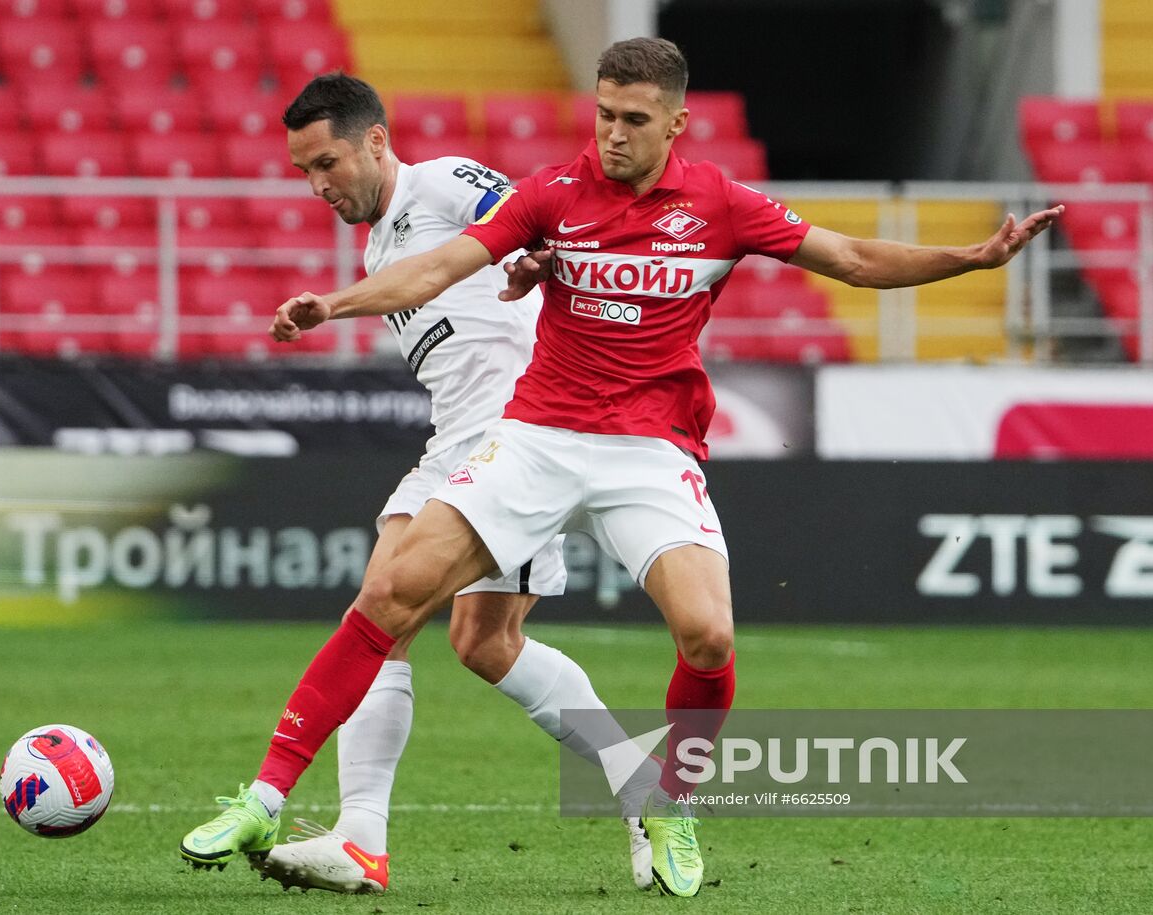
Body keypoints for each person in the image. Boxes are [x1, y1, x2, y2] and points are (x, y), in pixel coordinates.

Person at [189, 37, 1064, 898]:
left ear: (676, 123)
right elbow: (455, 264)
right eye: (603, 114)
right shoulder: (549, 193)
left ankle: (660, 795)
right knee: (407, 606)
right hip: (531, 436)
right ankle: (281, 803)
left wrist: (973, 259)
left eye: (632, 118)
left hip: (643, 446)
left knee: (699, 635)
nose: (612, 133)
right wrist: (337, 303)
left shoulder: (702, 203)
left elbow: (855, 258)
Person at [179, 73, 656, 894]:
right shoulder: (376, 245)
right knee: (481, 643)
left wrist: (540, 258)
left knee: (385, 612)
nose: (318, 184)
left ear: (374, 140)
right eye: (303, 172)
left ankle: (360, 833)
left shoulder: (445, 183)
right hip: (456, 445)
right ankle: (633, 785)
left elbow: (531, 227)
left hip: (521, 437)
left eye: (327, 162)